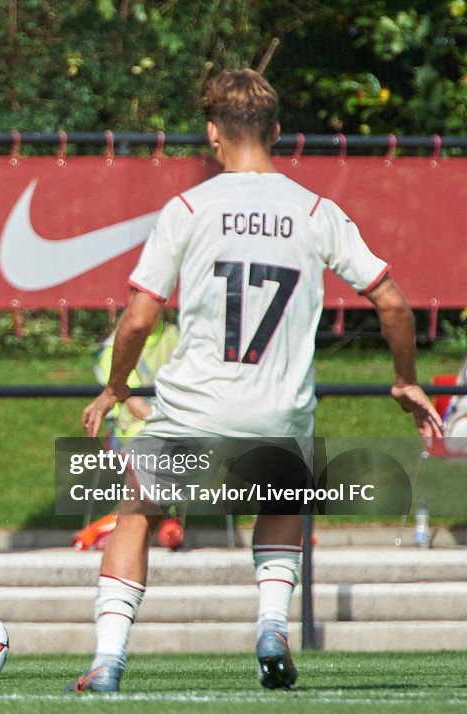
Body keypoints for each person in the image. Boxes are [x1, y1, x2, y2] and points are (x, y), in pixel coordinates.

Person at [68, 68, 441, 693]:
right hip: (278, 413)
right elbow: (396, 305)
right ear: (276, 132)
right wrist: (404, 381)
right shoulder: (316, 211)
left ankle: (108, 661)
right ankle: (271, 626)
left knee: (134, 510)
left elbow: (138, 317)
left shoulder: (188, 207)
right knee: (280, 503)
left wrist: (116, 385)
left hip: (191, 411)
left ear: (213, 132)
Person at [73, 319, 180, 551]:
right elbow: (136, 406)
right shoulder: (115, 346)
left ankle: (156, 522)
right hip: (134, 432)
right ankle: (127, 526)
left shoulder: (177, 336)